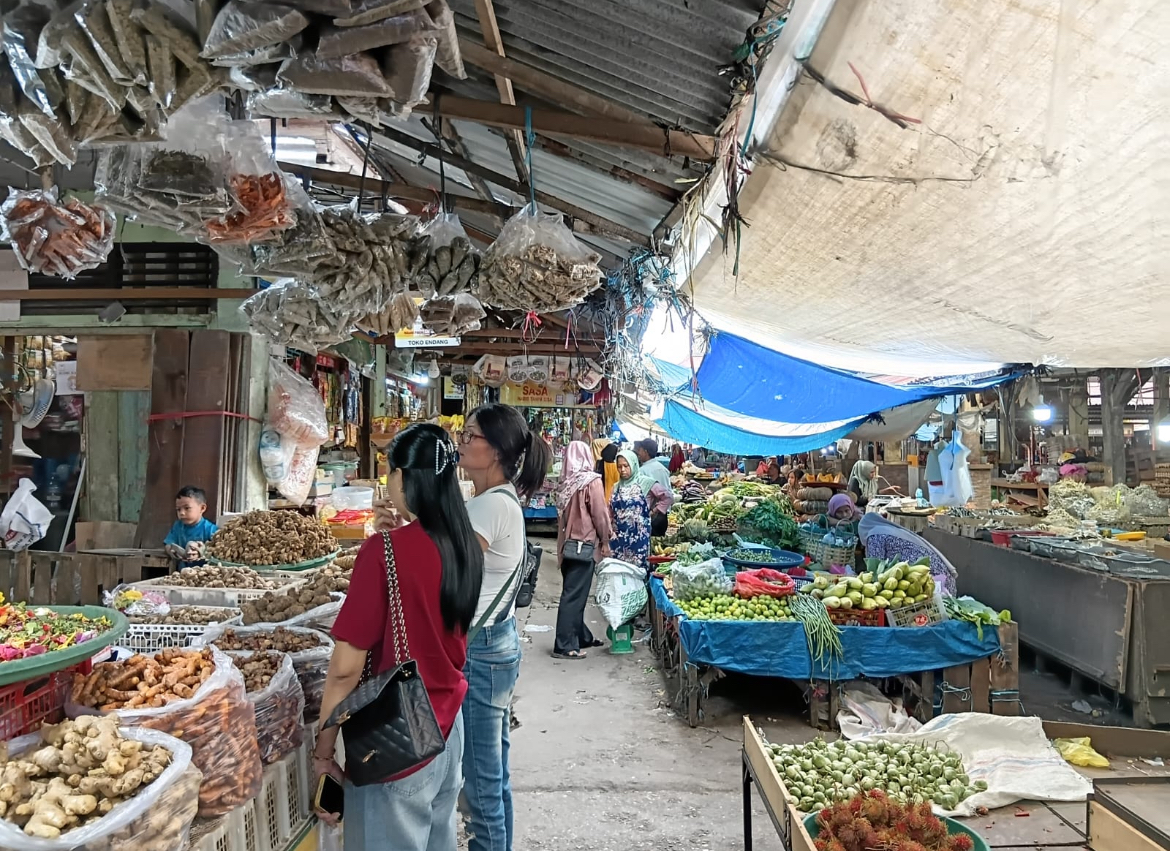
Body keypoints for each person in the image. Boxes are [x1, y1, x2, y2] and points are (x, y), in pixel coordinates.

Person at [314, 424, 483, 851]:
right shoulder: (465, 545)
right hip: (447, 726)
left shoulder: (382, 552)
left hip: (398, 732)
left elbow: (344, 672)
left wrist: (323, 752)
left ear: (404, 477)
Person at [456, 403, 551, 851]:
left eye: (470, 435)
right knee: (493, 775)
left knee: (480, 786)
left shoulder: (488, 508)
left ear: (493, 451)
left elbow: (448, 579)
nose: (461, 441)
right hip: (497, 643)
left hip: (480, 653)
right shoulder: (499, 500)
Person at [553, 441, 613, 659]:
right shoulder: (591, 482)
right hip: (583, 545)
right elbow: (600, 514)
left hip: (566, 546)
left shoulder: (564, 483)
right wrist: (605, 539)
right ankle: (564, 645)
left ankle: (582, 636)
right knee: (573, 595)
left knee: (574, 591)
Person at [859, 513, 958, 595]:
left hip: (934, 583)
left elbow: (875, 570)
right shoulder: (890, 531)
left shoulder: (874, 535)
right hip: (945, 581)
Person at [610, 450, 652, 573]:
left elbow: (666, 497)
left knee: (637, 573)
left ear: (633, 464)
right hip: (619, 540)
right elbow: (609, 511)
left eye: (626, 466)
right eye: (619, 467)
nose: (622, 470)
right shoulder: (616, 486)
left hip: (638, 539)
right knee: (620, 573)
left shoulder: (644, 482)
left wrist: (652, 512)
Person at [163, 486, 217, 568]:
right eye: (178, 509)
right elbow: (168, 543)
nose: (182, 513)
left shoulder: (210, 529)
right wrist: (171, 551)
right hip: (182, 573)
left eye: (187, 508)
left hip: (205, 574)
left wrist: (201, 551)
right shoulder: (178, 526)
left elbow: (218, 550)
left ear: (202, 508)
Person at [634, 439, 673, 536]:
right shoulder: (663, 469)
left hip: (651, 515)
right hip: (663, 515)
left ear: (645, 452)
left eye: (640, 450)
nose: (638, 452)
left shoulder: (642, 471)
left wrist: (652, 511)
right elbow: (669, 491)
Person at [592, 438, 620, 503]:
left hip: (597, 495)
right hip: (610, 497)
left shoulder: (598, 463)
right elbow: (617, 482)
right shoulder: (616, 467)